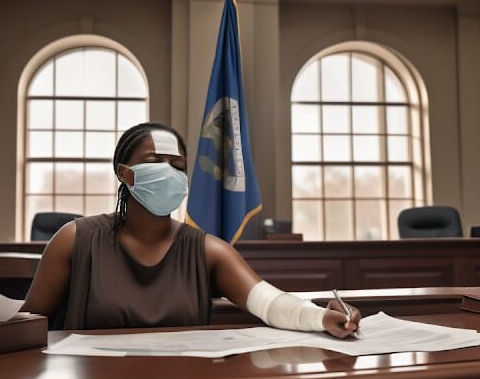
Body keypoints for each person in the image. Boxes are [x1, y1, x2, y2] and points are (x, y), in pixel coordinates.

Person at [23, 122, 361, 337]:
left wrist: (320, 317)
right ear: (125, 174)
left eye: (178, 166)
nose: (169, 172)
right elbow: (29, 325)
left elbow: (268, 302)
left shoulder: (206, 249)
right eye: (156, 161)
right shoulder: (75, 239)